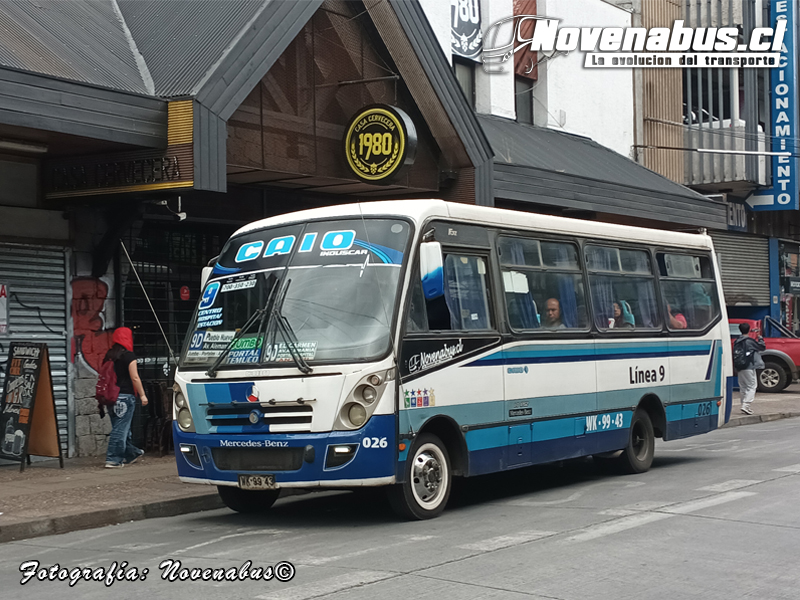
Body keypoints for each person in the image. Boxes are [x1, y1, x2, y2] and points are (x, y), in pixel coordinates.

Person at [103, 327, 148, 468]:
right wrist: (142, 395)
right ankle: (113, 459)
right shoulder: (129, 356)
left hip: (111, 396)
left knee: (122, 428)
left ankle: (131, 453)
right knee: (120, 430)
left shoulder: (109, 355)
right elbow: (134, 377)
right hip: (125, 396)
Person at [734, 322, 765, 415]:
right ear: (749, 329)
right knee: (752, 386)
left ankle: (744, 404)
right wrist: (759, 337)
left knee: (743, 386)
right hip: (748, 366)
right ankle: (746, 405)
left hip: (739, 366)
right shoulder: (749, 341)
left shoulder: (737, 341)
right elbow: (762, 347)